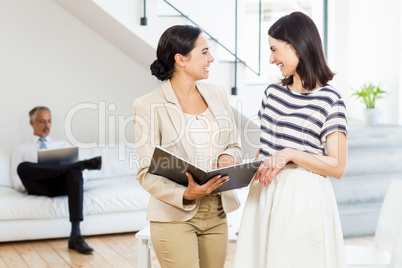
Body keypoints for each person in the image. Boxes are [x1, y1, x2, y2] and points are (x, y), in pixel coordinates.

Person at [233, 12, 348, 268]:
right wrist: (249, 214)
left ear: (297, 45)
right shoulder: (273, 93)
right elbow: (264, 151)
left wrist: (292, 154)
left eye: (275, 49)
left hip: (302, 199)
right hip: (263, 192)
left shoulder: (331, 100)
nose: (271, 59)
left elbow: (338, 166)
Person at [133, 25, 242, 268]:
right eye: (204, 52)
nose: (211, 58)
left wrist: (227, 157)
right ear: (181, 59)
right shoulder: (147, 106)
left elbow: (233, 144)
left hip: (217, 212)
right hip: (174, 216)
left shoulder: (218, 94)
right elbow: (145, 172)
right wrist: (185, 193)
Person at [11, 106, 102, 255]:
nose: (47, 126)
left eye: (49, 121)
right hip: (38, 186)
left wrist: (76, 171)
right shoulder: (21, 149)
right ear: (31, 123)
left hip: (61, 185)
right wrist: (38, 175)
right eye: (42, 121)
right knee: (23, 167)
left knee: (75, 172)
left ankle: (76, 235)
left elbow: (81, 178)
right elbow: (16, 179)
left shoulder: (63, 145)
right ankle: (82, 163)